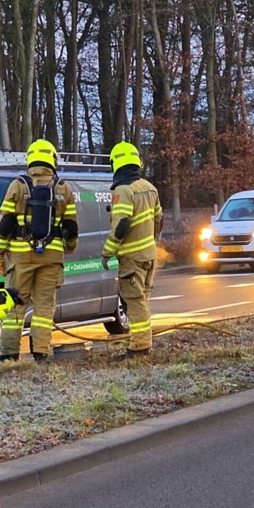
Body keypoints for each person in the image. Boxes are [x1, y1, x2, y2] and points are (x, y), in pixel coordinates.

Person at [0, 139, 79, 362]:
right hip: (51, 257)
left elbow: (4, 225)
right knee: (44, 308)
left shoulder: (17, 185)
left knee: (15, 306)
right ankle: (41, 353)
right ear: (52, 159)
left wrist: (0, 254)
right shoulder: (63, 188)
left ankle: (9, 354)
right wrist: (69, 248)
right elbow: (71, 227)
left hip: (20, 257)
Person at [102, 142, 163, 359]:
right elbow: (158, 220)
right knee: (143, 299)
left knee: (134, 301)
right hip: (149, 255)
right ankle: (142, 342)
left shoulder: (123, 190)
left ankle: (140, 346)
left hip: (131, 258)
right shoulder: (149, 187)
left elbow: (122, 225)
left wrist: (107, 252)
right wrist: (152, 242)